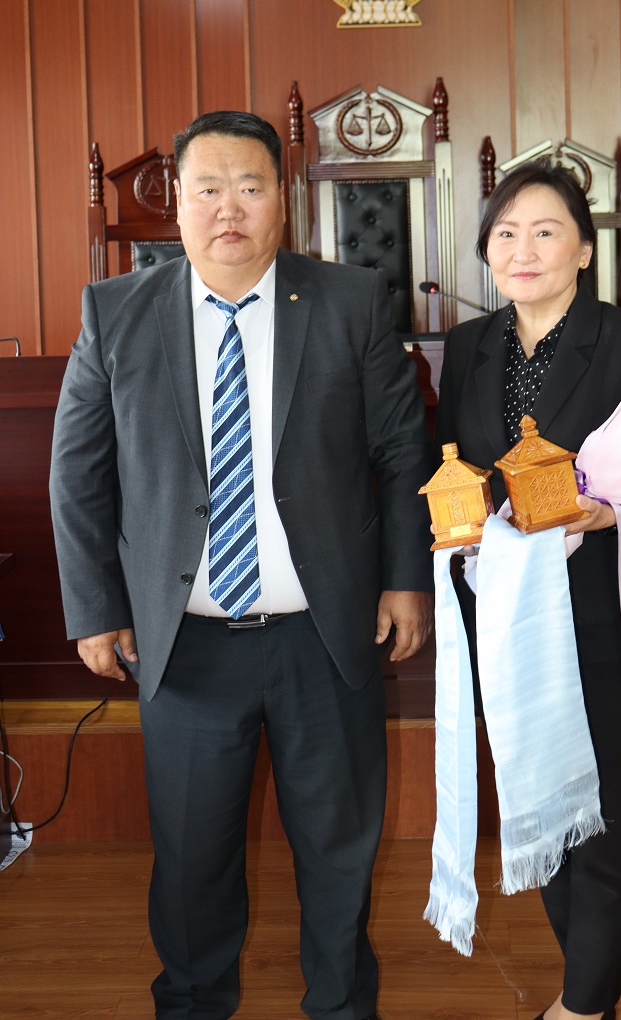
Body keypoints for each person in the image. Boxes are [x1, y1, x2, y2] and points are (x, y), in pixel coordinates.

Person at [49, 110, 434, 1020]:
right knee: (192, 858)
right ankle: (192, 1004)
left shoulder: (349, 301)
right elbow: (78, 472)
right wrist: (95, 608)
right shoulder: (115, 313)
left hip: (324, 635)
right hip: (184, 643)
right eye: (209, 188)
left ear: (283, 201)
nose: (230, 208)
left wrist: (404, 578)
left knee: (337, 848)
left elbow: (401, 454)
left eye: (251, 187)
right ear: (178, 203)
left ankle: (341, 1006)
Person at [433, 160, 621, 1020]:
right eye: (506, 233)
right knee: (540, 795)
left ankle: (584, 1003)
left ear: (584, 249)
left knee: (604, 805)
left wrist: (615, 513)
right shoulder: (468, 347)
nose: (524, 250)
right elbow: (452, 462)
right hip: (503, 615)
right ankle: (589, 985)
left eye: (546, 231)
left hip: (594, 609)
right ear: (486, 250)